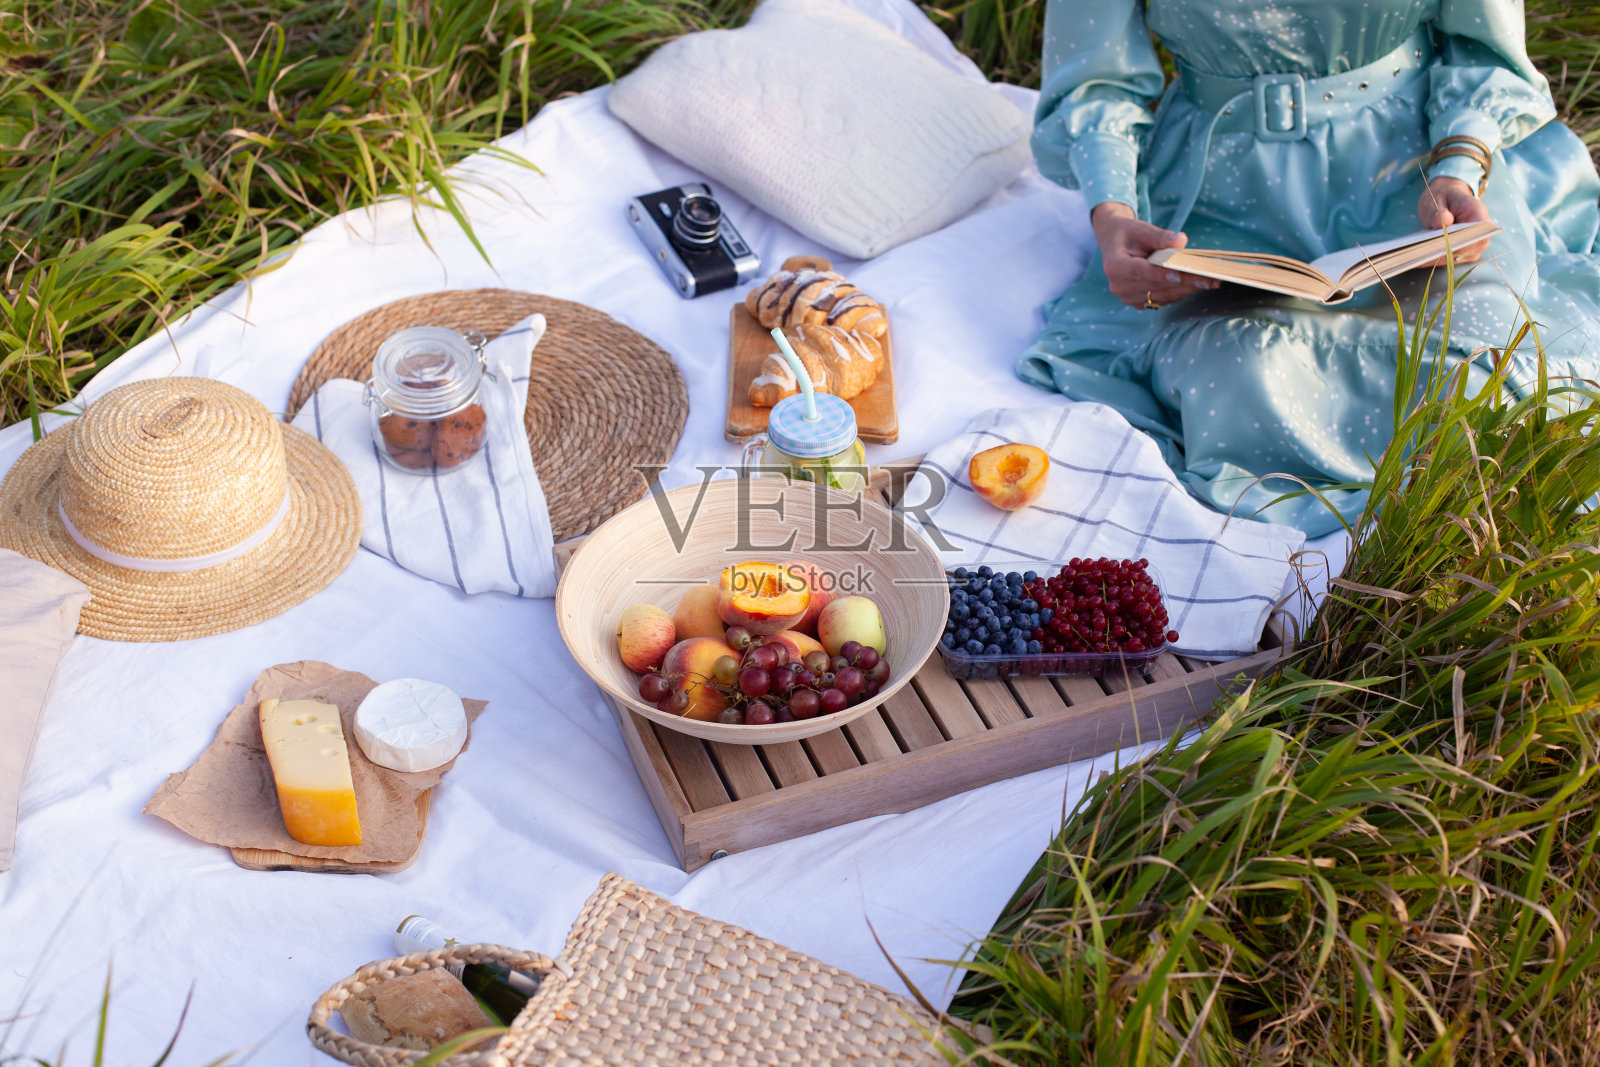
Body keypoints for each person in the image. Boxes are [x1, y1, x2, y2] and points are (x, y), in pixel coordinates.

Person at [1019, 0, 1600, 536]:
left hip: (1418, 180)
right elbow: (1096, 80)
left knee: (1485, 380)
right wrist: (1113, 212)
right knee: (1236, 380)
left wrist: (1459, 166)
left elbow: (1479, 46)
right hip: (1216, 196)